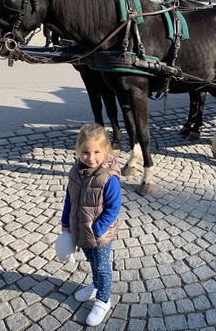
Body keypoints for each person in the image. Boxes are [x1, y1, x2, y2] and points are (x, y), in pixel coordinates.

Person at [60, 124, 122, 327]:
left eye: (96, 152)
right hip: (80, 229)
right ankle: (95, 285)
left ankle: (103, 300)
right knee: (92, 261)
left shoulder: (108, 177)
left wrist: (98, 228)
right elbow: (69, 199)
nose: (91, 157)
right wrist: (65, 223)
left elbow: (113, 207)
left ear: (106, 151)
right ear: (78, 151)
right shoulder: (75, 172)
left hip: (99, 234)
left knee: (102, 267)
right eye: (85, 152)